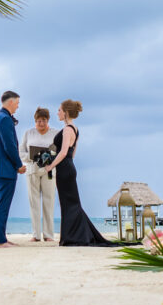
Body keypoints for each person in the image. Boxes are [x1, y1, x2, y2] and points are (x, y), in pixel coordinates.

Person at [43, 99, 113, 247]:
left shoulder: (68, 129)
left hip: (64, 168)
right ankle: (73, 235)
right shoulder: (75, 129)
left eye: (59, 110)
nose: (57, 113)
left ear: (66, 112)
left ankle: (72, 236)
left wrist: (51, 166)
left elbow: (62, 153)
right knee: (71, 203)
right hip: (68, 167)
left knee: (69, 204)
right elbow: (72, 153)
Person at [0, 90, 26, 248]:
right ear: (10, 102)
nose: (18, 106)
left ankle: (2, 237)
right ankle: (0, 241)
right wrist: (19, 165)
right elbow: (9, 146)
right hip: (5, 169)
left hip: (1, 168)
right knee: (2, 206)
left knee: (1, 205)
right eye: (17, 103)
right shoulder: (4, 119)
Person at [18, 107, 57, 242]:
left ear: (48, 120)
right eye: (38, 121)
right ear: (35, 121)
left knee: (49, 201)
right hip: (32, 169)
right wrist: (32, 157)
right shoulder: (28, 133)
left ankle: (48, 235)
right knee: (34, 203)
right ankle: (36, 235)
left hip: (49, 170)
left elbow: (58, 152)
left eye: (44, 120)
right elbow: (21, 152)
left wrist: (46, 157)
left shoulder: (55, 133)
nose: (41, 123)